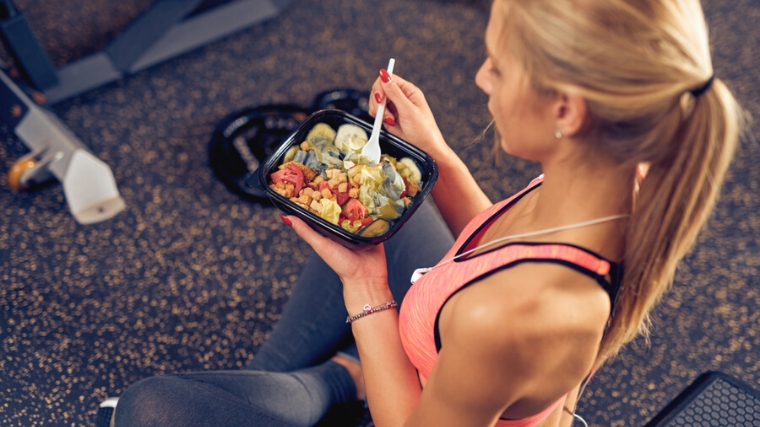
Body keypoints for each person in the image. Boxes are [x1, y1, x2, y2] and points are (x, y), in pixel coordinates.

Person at [108, 0, 742, 426]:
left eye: (498, 66)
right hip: (459, 343)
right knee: (371, 209)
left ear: (566, 112)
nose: (480, 78)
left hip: (433, 399)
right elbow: (504, 236)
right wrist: (436, 157)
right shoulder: (612, 177)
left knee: (150, 407)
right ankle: (295, 379)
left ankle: (316, 383)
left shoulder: (513, 316)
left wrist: (366, 287)